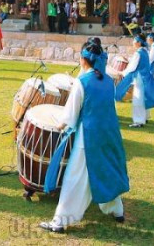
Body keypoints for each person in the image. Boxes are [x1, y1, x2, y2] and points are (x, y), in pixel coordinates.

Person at [39, 41, 129, 233]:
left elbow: (70, 114)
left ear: (82, 60)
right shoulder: (108, 81)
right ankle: (117, 210)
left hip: (88, 137)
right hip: (109, 133)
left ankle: (60, 221)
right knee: (107, 170)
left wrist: (59, 124)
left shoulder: (82, 82)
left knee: (75, 178)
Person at [115, 33, 154, 128]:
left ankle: (138, 121)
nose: (133, 42)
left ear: (138, 42)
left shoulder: (138, 53)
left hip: (139, 78)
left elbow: (132, 67)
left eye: (134, 40)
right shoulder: (144, 51)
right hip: (145, 77)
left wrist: (122, 73)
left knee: (137, 99)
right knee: (143, 97)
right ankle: (144, 117)